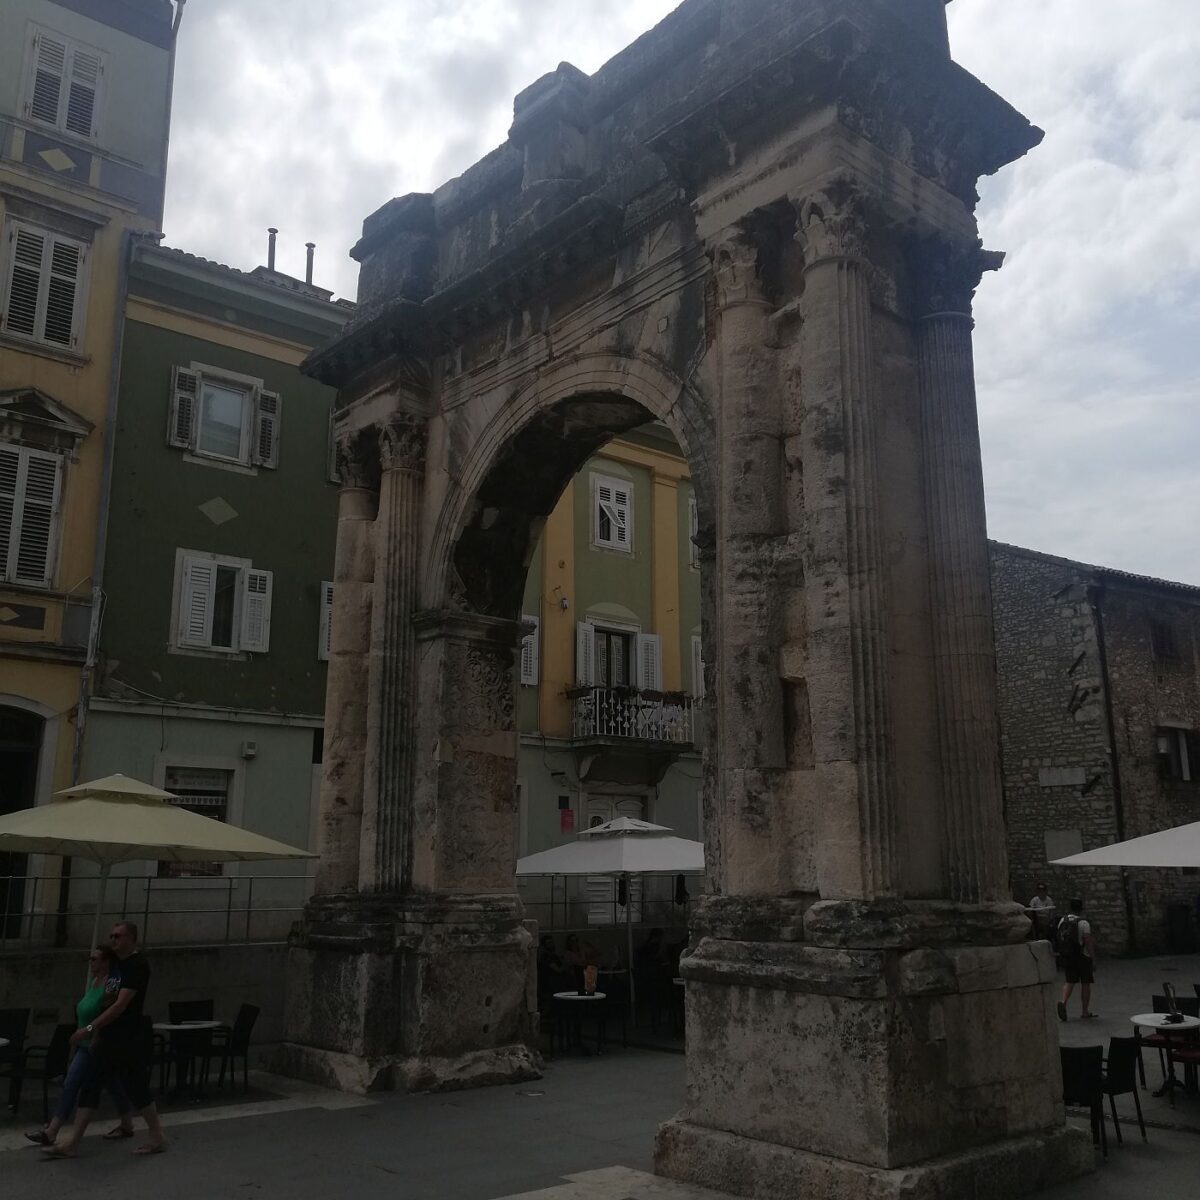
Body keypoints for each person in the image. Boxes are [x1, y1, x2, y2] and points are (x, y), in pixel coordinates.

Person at [44, 921, 167, 1158]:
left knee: (135, 1086)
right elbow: (106, 1002)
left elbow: (120, 1005)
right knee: (90, 1085)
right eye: (111, 936)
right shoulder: (117, 967)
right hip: (108, 1036)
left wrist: (88, 1029)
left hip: (127, 1037)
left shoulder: (137, 966)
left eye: (118, 936)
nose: (113, 940)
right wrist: (98, 1033)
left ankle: (157, 1135)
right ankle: (73, 1142)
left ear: (131, 938)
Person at [25, 945, 134, 1146]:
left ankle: (52, 1130)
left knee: (72, 1083)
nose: (91, 962)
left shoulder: (112, 983)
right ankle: (127, 1121)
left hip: (94, 1041)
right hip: (83, 1040)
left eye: (95, 959)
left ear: (105, 961)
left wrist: (93, 1033)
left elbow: (108, 1012)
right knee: (112, 1083)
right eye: (90, 958)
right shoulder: (94, 981)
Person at [1056, 899, 1097, 1021]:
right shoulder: (1084, 923)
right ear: (1081, 908)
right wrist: (1093, 958)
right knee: (1085, 983)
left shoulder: (1063, 920)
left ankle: (1063, 1002)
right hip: (1082, 956)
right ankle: (1085, 1011)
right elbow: (1088, 942)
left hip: (1069, 956)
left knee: (1070, 981)